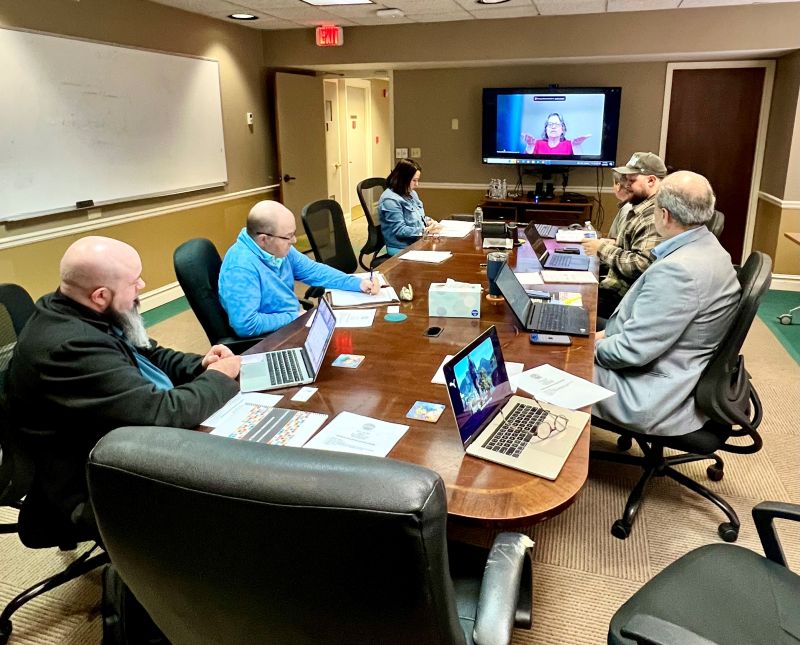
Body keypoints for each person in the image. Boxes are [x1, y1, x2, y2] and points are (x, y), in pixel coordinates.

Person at [4, 236, 242, 542]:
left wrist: (201, 365)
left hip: (114, 434)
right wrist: (221, 377)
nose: (142, 285)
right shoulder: (70, 347)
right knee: (233, 485)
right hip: (90, 476)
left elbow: (148, 352)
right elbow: (163, 412)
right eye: (133, 281)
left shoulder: (79, 307)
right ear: (101, 295)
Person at [592, 171, 740, 436]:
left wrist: (582, 351)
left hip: (656, 395)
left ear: (665, 216)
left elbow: (629, 353)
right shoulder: (713, 249)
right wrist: (598, 336)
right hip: (681, 370)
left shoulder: (678, 272)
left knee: (548, 366)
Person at [219, 200, 379, 337]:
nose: (294, 240)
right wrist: (294, 316)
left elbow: (314, 271)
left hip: (293, 321)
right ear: (263, 239)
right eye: (288, 236)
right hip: (273, 337)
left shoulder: (276, 249)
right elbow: (246, 325)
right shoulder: (240, 267)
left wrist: (357, 283)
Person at [581, 152, 667, 322]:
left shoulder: (654, 215)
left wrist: (602, 249)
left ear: (651, 180)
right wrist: (613, 244)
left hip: (624, 300)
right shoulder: (640, 207)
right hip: (619, 291)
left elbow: (642, 265)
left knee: (566, 304)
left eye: (632, 180)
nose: (626, 185)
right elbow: (634, 248)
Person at [378, 159, 441, 255]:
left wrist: (429, 222)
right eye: (414, 180)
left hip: (416, 241)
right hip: (400, 247)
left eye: (417, 180)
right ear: (402, 179)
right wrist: (425, 231)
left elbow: (418, 217)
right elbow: (399, 230)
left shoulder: (411, 193)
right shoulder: (390, 200)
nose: (417, 184)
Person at [521, 113, 591, 155]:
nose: (553, 127)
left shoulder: (570, 144)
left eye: (557, 124)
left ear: (562, 129)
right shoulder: (536, 143)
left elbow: (579, 165)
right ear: (546, 129)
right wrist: (530, 145)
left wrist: (577, 146)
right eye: (550, 124)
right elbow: (525, 165)